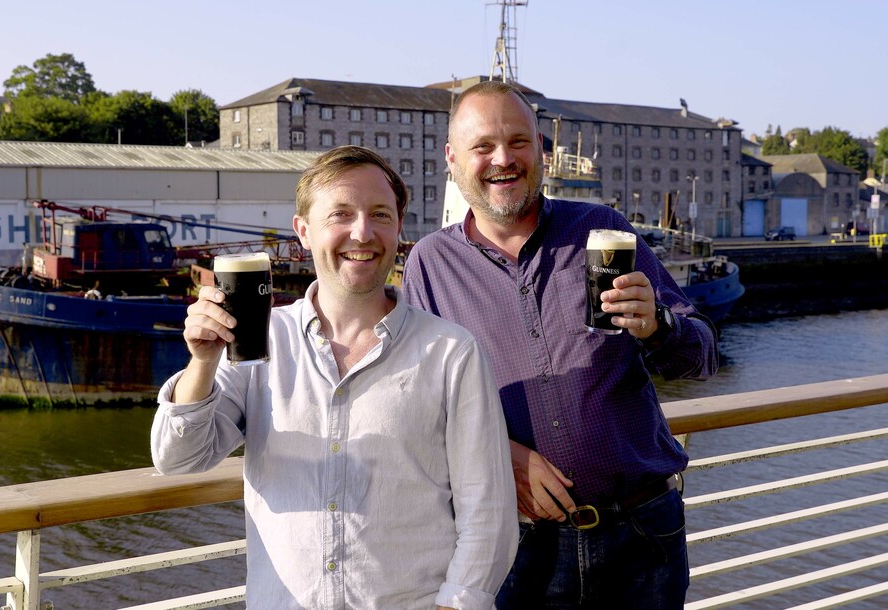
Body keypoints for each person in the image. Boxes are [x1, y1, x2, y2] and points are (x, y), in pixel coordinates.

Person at [151, 145, 517, 610]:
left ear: (398, 228)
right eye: (340, 214)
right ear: (303, 232)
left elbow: (488, 510)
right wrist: (202, 362)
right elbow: (177, 459)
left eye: (380, 214)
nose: (362, 232)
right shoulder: (261, 342)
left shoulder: (451, 352)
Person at [401, 81, 719, 609]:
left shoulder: (603, 230)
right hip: (518, 547)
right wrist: (500, 456)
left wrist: (659, 325)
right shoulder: (430, 265)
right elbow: (417, 408)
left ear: (542, 151)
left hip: (640, 536)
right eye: (483, 146)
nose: (503, 159)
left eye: (519, 141)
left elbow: (702, 356)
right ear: (453, 160)